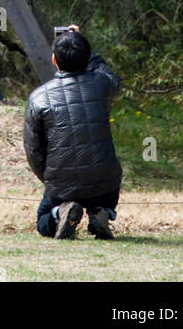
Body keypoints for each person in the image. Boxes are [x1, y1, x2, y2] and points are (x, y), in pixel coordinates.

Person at [23, 24, 122, 240]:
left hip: (61, 183)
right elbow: (111, 77)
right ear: (87, 59)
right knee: (106, 186)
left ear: (54, 60)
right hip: (104, 179)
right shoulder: (103, 85)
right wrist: (86, 50)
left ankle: (61, 211)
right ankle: (102, 211)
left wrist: (49, 180)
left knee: (42, 222)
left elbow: (34, 150)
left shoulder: (38, 98)